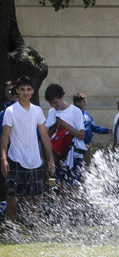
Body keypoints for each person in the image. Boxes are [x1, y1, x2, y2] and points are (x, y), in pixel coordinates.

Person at [0, 77, 55, 226]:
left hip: (35, 160)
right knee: (14, 196)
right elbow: (4, 137)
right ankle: (10, 227)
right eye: (22, 89)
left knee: (37, 196)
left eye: (29, 89)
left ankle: (36, 226)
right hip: (16, 159)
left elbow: (44, 135)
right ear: (17, 91)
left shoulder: (37, 110)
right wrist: (3, 159)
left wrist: (50, 158)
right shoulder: (10, 111)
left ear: (33, 91)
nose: (26, 92)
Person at [44, 83, 87, 213]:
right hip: (59, 154)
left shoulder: (75, 111)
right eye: (51, 103)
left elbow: (81, 134)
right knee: (61, 188)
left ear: (62, 97)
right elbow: (48, 136)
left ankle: (79, 217)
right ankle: (65, 218)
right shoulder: (52, 112)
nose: (54, 106)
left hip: (74, 154)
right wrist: (54, 126)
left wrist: (63, 124)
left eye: (56, 102)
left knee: (74, 187)